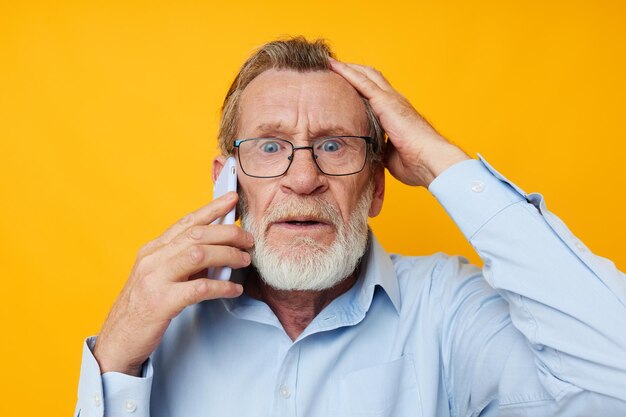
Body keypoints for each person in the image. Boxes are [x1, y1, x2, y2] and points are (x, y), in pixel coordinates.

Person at [75, 37, 626, 417]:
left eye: (334, 145)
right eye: (271, 146)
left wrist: (442, 162)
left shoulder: (448, 309)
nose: (304, 177)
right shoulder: (160, 323)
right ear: (228, 184)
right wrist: (117, 358)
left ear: (377, 186)